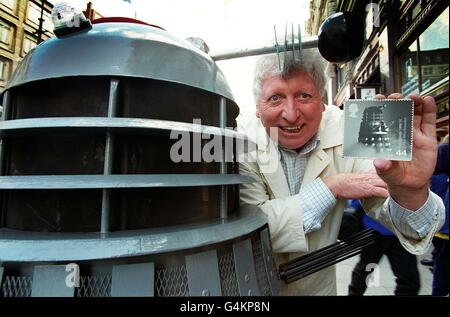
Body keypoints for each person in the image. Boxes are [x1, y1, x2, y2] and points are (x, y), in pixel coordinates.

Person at [238, 50, 445, 295]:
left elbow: (414, 227)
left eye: (304, 96)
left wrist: (411, 193)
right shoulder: (239, 138)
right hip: (249, 291)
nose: (291, 114)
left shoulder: (353, 125)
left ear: (323, 102)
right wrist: (331, 187)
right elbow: (249, 229)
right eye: (275, 98)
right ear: (257, 108)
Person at [347, 199, 420, 296]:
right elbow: (356, 196)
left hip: (402, 232)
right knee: (364, 271)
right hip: (374, 230)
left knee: (409, 281)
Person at [429, 134, 449, 296]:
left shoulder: (434, 178)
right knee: (443, 262)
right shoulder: (442, 180)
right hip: (445, 228)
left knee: (441, 260)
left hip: (438, 227)